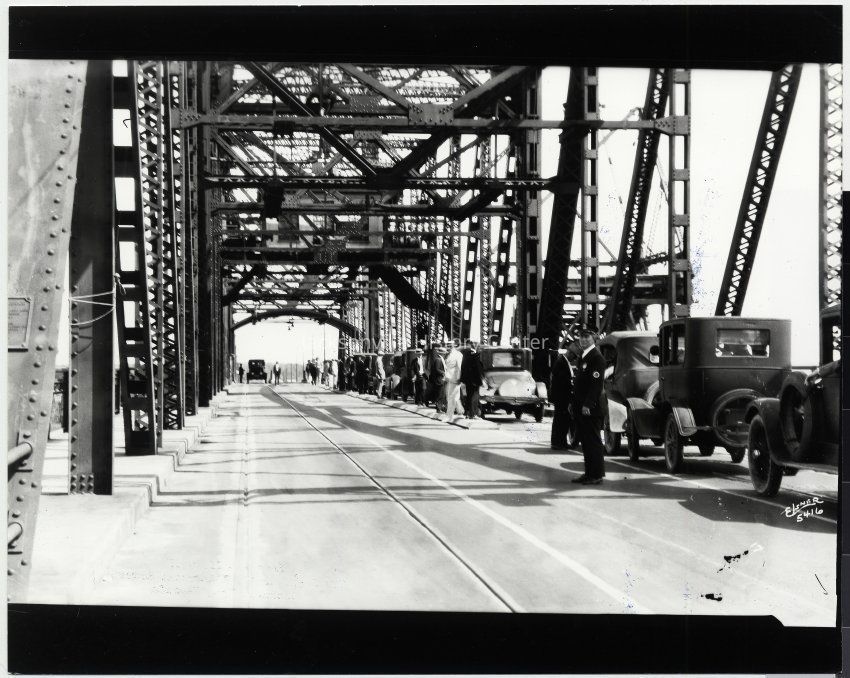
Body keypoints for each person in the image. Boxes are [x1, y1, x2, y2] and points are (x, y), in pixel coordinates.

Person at [571, 326, 607, 485]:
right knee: (586, 441)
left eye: (587, 337)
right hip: (581, 406)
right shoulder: (584, 356)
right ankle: (589, 473)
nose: (583, 339)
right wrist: (574, 403)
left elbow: (596, 385)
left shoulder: (596, 358)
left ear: (594, 339)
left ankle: (596, 475)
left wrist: (588, 404)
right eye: (581, 337)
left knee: (593, 441)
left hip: (591, 408)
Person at [550, 338, 577, 450]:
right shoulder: (562, 363)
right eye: (574, 356)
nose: (574, 359)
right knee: (561, 420)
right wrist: (572, 383)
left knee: (561, 420)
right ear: (570, 353)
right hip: (562, 397)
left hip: (561, 396)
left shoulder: (562, 362)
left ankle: (560, 442)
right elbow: (562, 381)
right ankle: (558, 442)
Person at [460, 341, 485, 419]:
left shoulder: (465, 355)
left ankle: (467, 413)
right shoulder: (476, 355)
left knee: (469, 396)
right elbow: (478, 369)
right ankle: (473, 414)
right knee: (474, 397)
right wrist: (482, 379)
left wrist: (463, 378)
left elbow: (462, 367)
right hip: (475, 380)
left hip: (467, 380)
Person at [444, 339, 464, 420]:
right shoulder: (448, 355)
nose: (448, 347)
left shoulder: (458, 354)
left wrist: (459, 378)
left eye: (450, 346)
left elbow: (459, 367)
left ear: (453, 346)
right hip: (449, 378)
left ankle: (449, 416)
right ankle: (460, 412)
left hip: (455, 378)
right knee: (453, 397)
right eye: (447, 346)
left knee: (452, 397)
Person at [427, 345, 446, 412]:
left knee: (441, 394)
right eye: (444, 353)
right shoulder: (438, 359)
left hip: (441, 379)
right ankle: (438, 408)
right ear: (442, 353)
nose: (445, 354)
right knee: (439, 394)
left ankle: (440, 407)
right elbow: (437, 369)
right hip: (439, 379)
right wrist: (443, 372)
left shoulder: (440, 359)